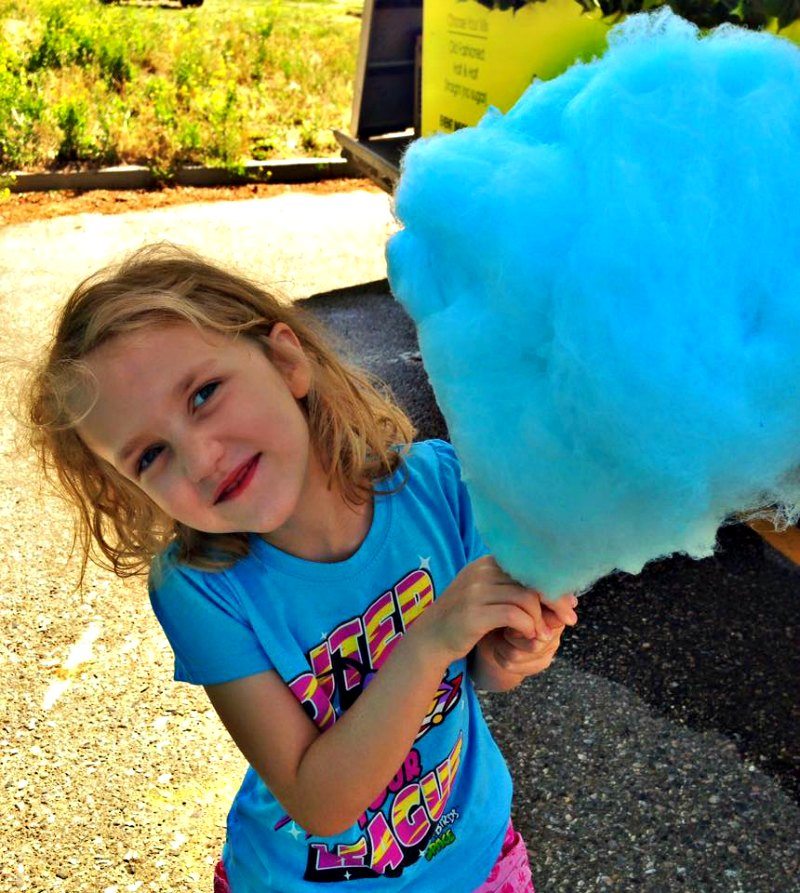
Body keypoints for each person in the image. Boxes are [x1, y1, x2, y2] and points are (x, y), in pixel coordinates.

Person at [26, 243, 579, 893]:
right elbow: (320, 800)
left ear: (286, 359)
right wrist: (433, 638)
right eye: (150, 455)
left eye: (204, 393)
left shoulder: (438, 485)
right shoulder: (202, 589)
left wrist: (510, 647)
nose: (200, 456)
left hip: (471, 856)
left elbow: (475, 669)